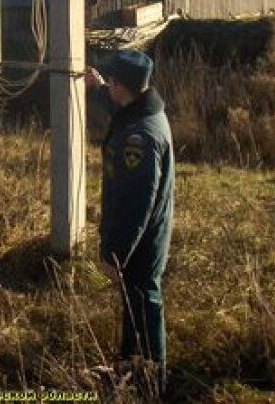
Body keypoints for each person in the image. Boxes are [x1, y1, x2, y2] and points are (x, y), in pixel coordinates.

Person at [85, 50, 175, 391]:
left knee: (144, 305)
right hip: (145, 236)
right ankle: (130, 371)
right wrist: (96, 88)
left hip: (139, 241)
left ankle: (150, 383)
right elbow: (120, 112)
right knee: (135, 305)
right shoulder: (145, 112)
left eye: (111, 81)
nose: (109, 85)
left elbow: (136, 204)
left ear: (121, 86)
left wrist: (115, 254)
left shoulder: (140, 138)